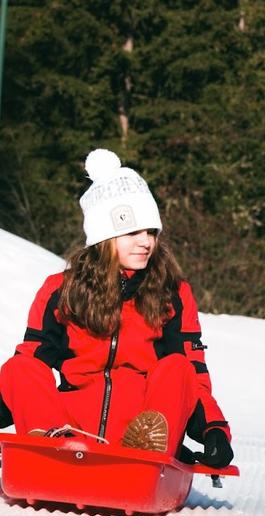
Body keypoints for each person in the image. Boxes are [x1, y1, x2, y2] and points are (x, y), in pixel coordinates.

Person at [0, 149, 233, 468]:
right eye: (133, 232)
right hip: (71, 426)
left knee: (177, 366)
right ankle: (52, 443)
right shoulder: (60, 289)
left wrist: (213, 430)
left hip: (143, 429)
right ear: (103, 237)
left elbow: (191, 374)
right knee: (20, 366)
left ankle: (147, 451)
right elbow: (30, 366)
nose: (146, 242)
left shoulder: (173, 293)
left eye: (151, 231)